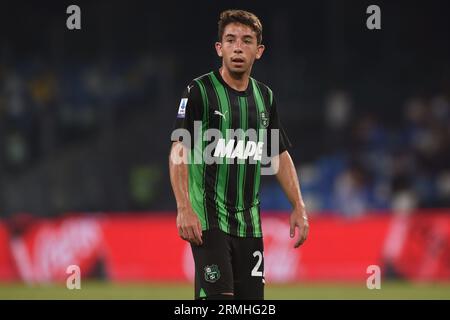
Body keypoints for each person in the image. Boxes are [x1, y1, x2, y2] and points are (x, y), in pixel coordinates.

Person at [169, 9, 309, 300]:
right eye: (230, 40)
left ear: (258, 51)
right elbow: (178, 150)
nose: (237, 47)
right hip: (209, 222)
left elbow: (278, 153)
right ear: (219, 48)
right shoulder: (199, 91)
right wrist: (184, 207)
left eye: (246, 41)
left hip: (249, 225)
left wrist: (298, 205)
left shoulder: (265, 97)